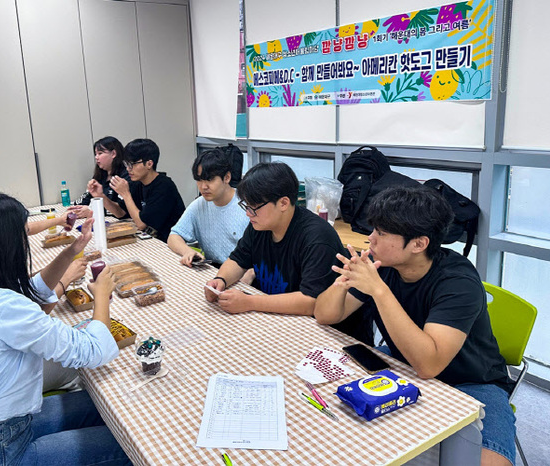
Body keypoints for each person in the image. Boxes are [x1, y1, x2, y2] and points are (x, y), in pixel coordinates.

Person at [313, 185, 515, 466]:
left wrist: (379, 291)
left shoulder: (457, 282)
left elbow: (429, 365)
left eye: (381, 233)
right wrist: (344, 280)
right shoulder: (380, 264)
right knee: (355, 441)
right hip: (403, 366)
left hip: (472, 383)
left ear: (419, 244)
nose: (370, 238)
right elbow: (324, 315)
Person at [0, 191, 131, 466]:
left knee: (111, 409)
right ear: (5, 246)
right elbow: (93, 350)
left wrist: (71, 251)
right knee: (128, 446)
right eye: (21, 237)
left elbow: (31, 292)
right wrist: (101, 296)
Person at [203, 162, 372, 343]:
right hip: (277, 322)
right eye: (246, 206)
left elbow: (310, 301)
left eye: (254, 207)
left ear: (283, 203)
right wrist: (220, 280)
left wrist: (249, 302)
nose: (248, 214)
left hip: (327, 336)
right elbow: (238, 260)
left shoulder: (317, 238)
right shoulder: (259, 226)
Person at [0, 177, 86, 393]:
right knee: (82, 370)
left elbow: (23, 290)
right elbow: (36, 310)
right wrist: (68, 280)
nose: (25, 240)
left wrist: (69, 252)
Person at [168, 147, 249, 267]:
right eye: (199, 180)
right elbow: (174, 236)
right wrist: (188, 251)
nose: (203, 186)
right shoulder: (199, 204)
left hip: (242, 271)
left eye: (209, 180)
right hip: (212, 268)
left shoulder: (247, 205)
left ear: (227, 177)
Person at [109, 138, 185, 242]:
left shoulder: (164, 186)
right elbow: (121, 213)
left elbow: (141, 224)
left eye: (132, 164)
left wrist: (125, 194)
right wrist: (101, 196)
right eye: (126, 164)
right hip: (151, 239)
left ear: (149, 164)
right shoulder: (137, 183)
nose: (128, 169)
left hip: (170, 243)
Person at [71, 136, 130, 219]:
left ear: (113, 154)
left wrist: (91, 210)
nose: (96, 157)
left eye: (100, 153)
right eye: (95, 154)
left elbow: (122, 212)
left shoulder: (126, 176)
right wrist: (77, 209)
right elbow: (84, 200)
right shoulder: (101, 175)